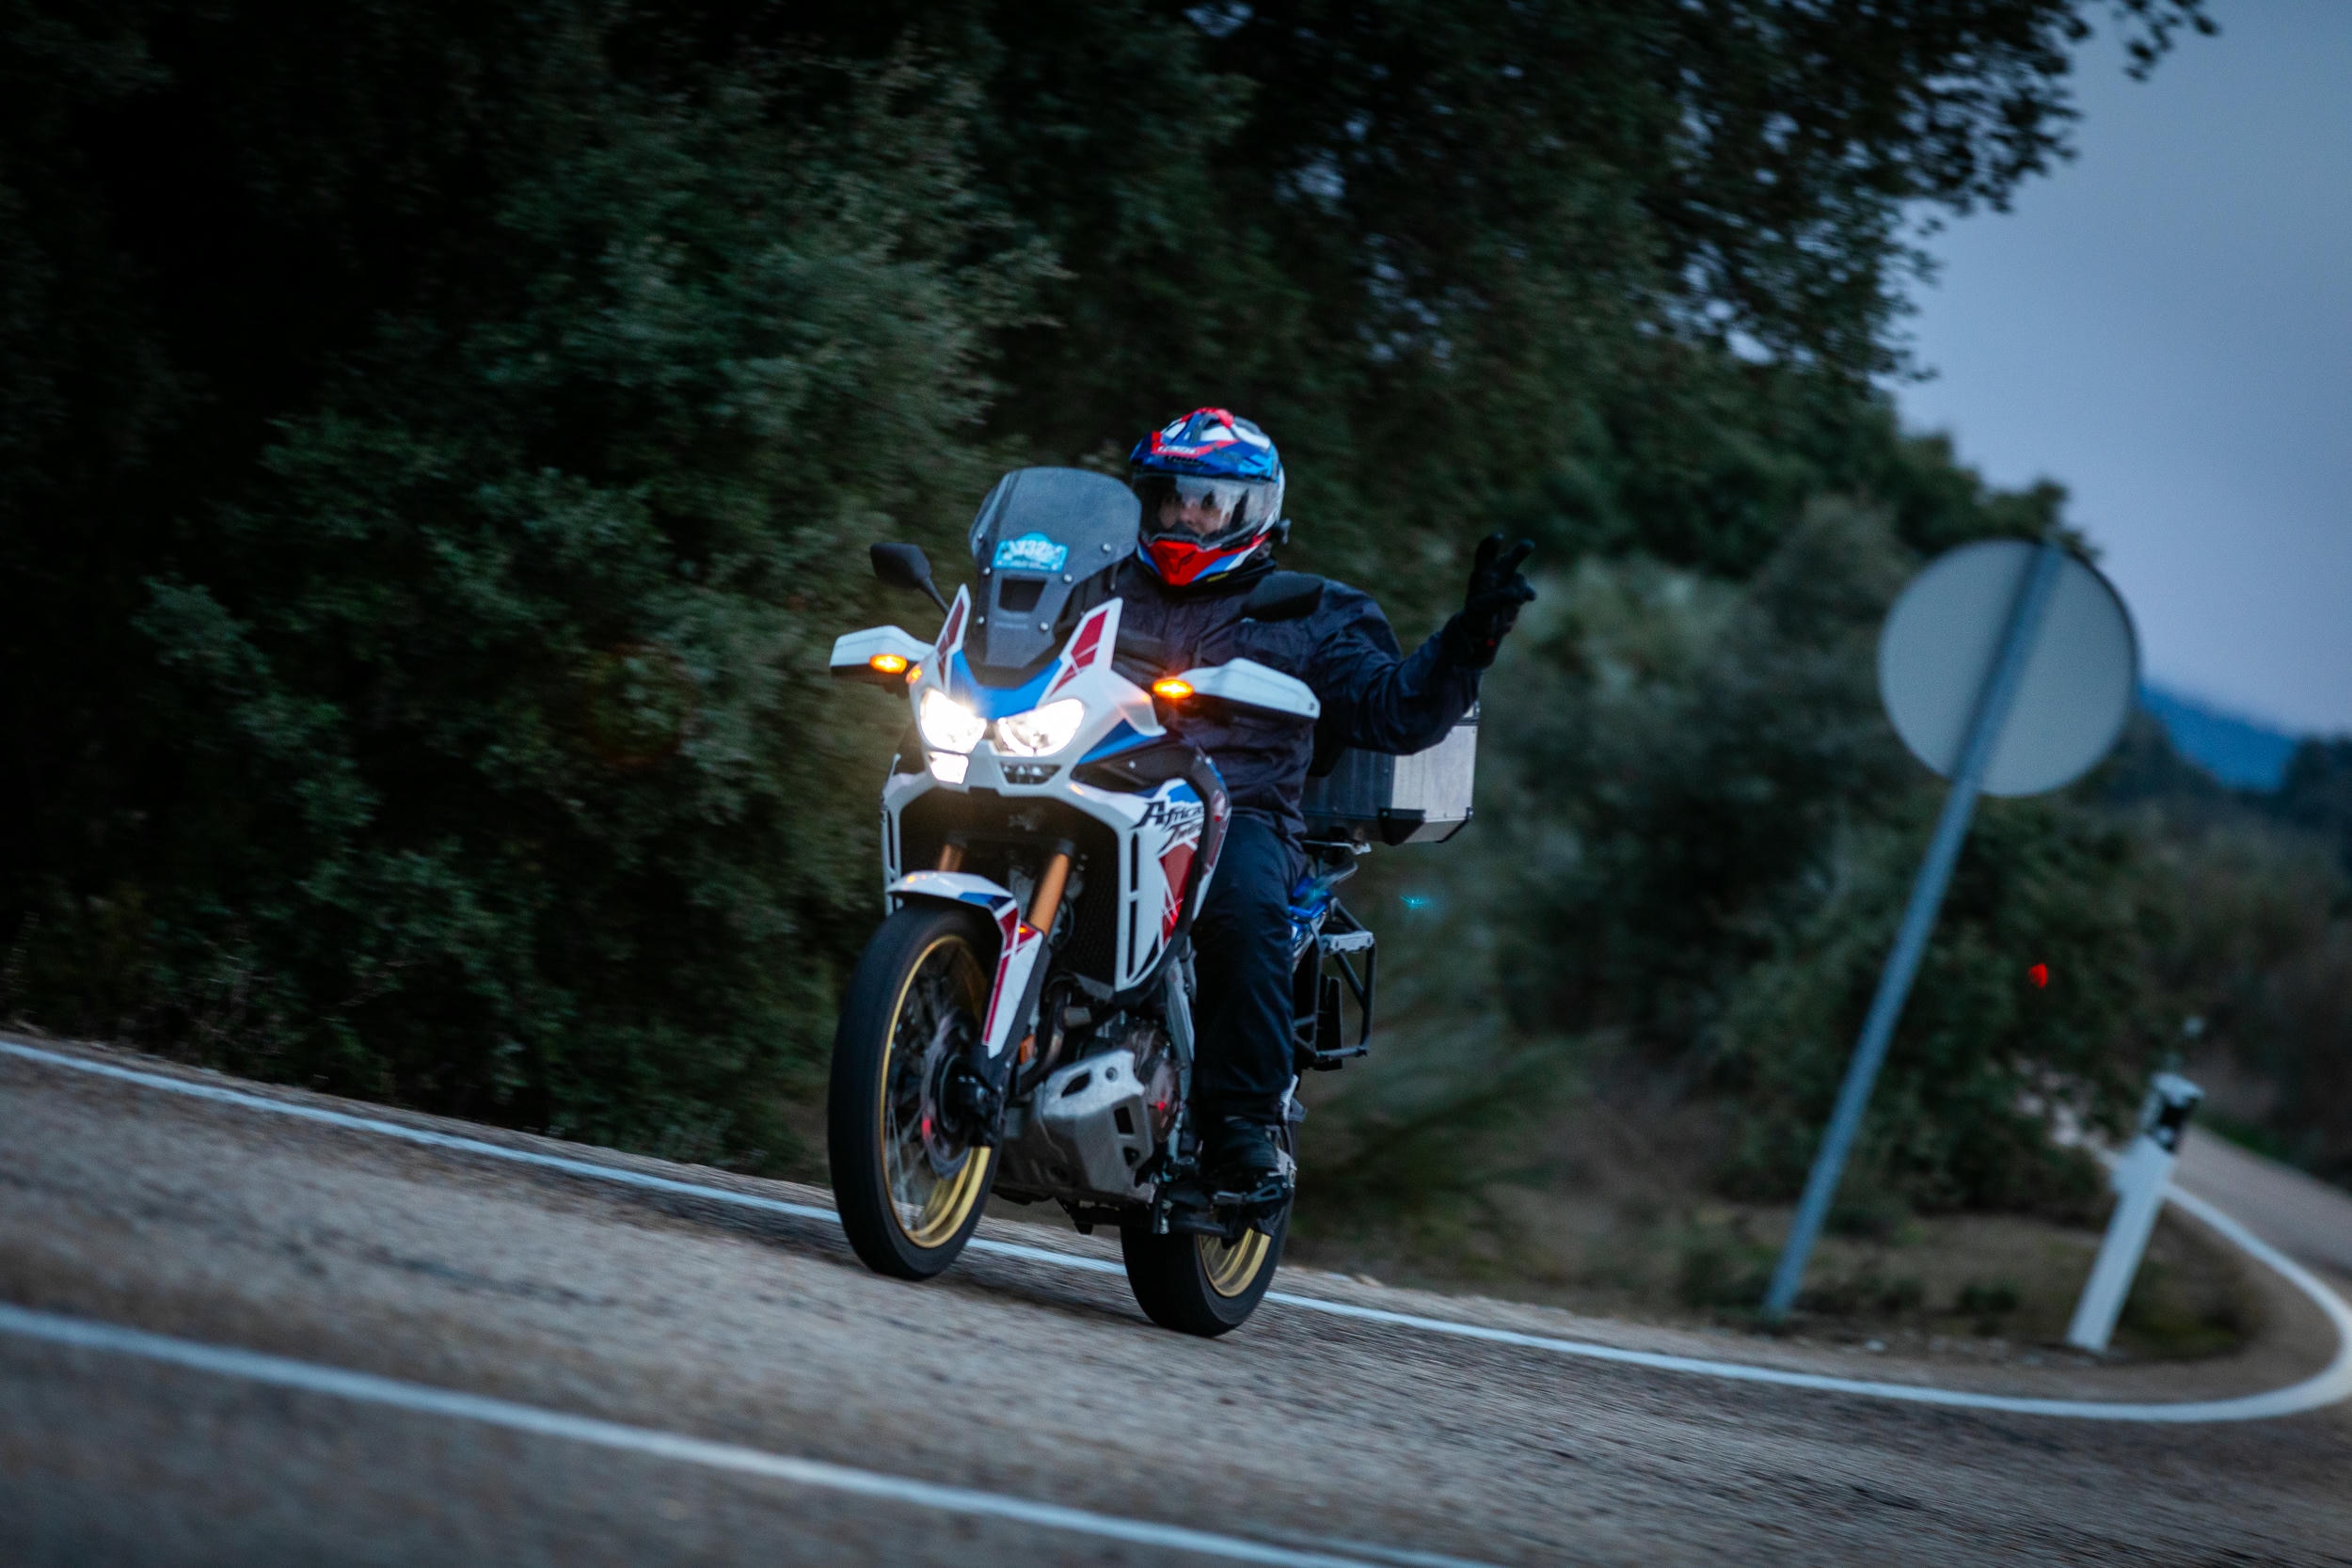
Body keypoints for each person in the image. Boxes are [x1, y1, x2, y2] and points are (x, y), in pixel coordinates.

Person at [1113, 407, 1534, 1199]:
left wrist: (1469, 640)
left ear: (1254, 512)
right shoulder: (1102, 588)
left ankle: (1242, 1126)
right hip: (1093, 787)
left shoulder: (1309, 612)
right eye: (1171, 496)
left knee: (1240, 900)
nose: (1185, 515)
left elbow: (1395, 709)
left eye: (1208, 500)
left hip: (1235, 810)